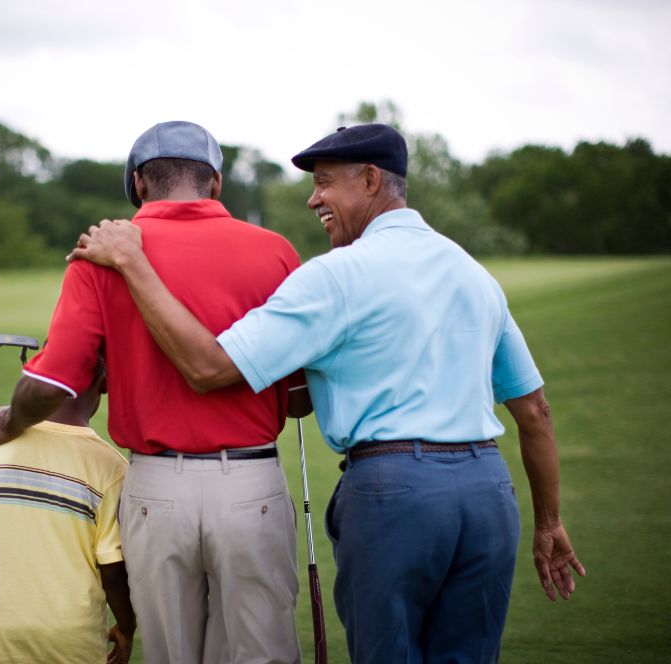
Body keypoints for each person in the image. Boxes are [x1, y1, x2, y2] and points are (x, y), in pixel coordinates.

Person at [70, 124, 586, 663]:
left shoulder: (335, 276)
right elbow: (535, 410)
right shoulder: (474, 273)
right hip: (487, 493)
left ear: (369, 180)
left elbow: (208, 367)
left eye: (323, 183)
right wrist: (549, 522)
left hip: (394, 494)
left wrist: (133, 262)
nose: (313, 197)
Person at [0, 121, 307, 664]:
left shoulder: (101, 252)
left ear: (139, 183)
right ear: (215, 183)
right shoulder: (274, 252)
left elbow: (54, 383)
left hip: (156, 490)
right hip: (251, 485)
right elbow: (298, 400)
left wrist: (10, 422)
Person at [0, 357, 136, 664]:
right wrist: (126, 626)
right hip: (73, 635)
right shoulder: (114, 470)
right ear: (106, 383)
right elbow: (113, 572)